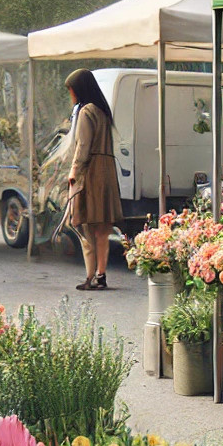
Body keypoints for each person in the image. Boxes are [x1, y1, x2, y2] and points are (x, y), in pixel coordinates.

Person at [64, 69, 121, 291]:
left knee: (83, 223)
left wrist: (74, 172)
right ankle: (101, 274)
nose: (71, 94)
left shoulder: (86, 112)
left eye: (71, 90)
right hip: (107, 170)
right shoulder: (103, 111)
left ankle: (89, 275)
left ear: (79, 90)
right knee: (103, 228)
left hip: (91, 171)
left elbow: (83, 146)